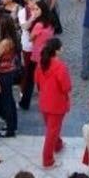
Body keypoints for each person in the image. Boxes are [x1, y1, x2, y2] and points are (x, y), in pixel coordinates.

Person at [35, 38, 71, 169]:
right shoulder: (60, 66)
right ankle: (48, 160)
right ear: (56, 50)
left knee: (52, 128)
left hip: (44, 102)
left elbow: (37, 81)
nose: (63, 49)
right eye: (61, 47)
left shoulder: (41, 63)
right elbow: (66, 87)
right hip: (57, 104)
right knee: (52, 131)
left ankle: (58, 145)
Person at [20, 0, 54, 110]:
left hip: (36, 56)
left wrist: (32, 18)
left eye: (36, 9)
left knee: (30, 80)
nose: (34, 11)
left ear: (42, 10)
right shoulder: (49, 23)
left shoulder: (38, 25)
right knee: (44, 80)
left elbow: (30, 38)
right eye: (33, 9)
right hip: (47, 56)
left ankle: (24, 103)